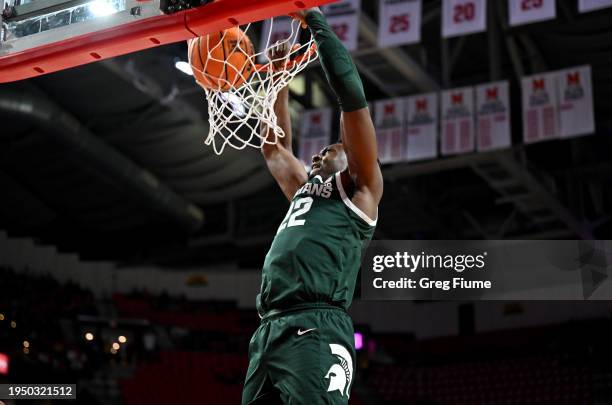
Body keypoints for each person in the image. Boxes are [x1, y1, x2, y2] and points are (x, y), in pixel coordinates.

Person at [241, 7, 383, 405]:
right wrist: (280, 75)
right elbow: (274, 148)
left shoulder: (361, 192)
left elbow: (351, 96)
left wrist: (315, 22)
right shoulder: (305, 189)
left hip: (316, 324)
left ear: (353, 156)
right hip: (269, 327)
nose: (321, 150)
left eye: (334, 147)